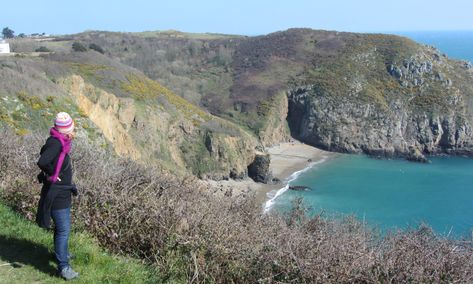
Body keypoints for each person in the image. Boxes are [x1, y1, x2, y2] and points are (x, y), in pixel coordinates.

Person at [36, 112, 79, 280]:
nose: (73, 131)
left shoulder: (60, 141)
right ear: (65, 130)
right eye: (71, 128)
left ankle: (62, 255)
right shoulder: (56, 143)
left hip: (62, 192)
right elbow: (42, 161)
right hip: (57, 194)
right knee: (63, 230)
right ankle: (64, 267)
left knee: (62, 229)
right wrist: (52, 173)